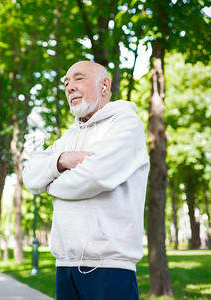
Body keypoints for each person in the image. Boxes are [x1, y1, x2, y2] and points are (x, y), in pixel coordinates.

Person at [22, 61, 149, 300]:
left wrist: (51, 184)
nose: (69, 87)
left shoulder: (125, 124)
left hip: (110, 268)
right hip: (65, 266)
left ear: (104, 85)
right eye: (66, 82)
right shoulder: (68, 138)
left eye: (78, 79)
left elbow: (94, 176)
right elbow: (30, 176)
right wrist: (62, 160)